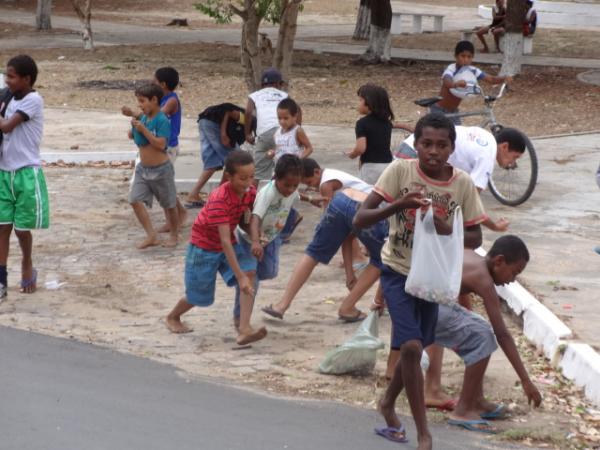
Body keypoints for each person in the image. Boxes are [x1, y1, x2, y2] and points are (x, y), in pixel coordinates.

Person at [353, 113, 487, 449]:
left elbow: (475, 235)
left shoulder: (462, 184)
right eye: (426, 143)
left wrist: (445, 228)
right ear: (417, 145)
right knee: (412, 347)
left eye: (442, 145)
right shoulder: (401, 171)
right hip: (398, 271)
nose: (433, 151)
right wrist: (398, 205)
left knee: (415, 350)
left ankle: (386, 403)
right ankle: (424, 433)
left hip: (434, 278)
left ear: (452, 148)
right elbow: (360, 218)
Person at [382, 235, 542, 433]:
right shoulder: (484, 279)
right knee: (483, 336)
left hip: (418, 300)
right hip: (429, 305)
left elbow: (455, 287)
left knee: (415, 352)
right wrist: (526, 380)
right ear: (499, 261)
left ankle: (475, 400)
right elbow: (502, 334)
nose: (512, 280)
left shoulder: (470, 255)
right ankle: (464, 410)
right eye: (514, 272)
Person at [165, 150, 267, 346]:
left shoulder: (249, 193)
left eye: (251, 177)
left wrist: (257, 237)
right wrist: (239, 276)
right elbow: (224, 241)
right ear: (229, 176)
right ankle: (173, 316)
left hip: (228, 241)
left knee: (250, 272)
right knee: (198, 294)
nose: (248, 183)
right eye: (243, 178)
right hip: (204, 248)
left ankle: (244, 327)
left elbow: (245, 220)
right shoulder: (219, 199)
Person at [261, 184, 388, 323]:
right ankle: (347, 307)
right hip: (369, 211)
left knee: (313, 251)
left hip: (341, 200)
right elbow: (390, 266)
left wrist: (349, 273)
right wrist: (378, 301)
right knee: (380, 261)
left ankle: (281, 305)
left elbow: (348, 236)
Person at [396, 125, 527, 232]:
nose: (512, 163)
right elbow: (471, 203)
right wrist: (494, 226)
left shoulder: (485, 137)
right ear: (504, 146)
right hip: (417, 155)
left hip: (409, 148)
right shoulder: (487, 156)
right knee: (408, 216)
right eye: (514, 157)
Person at [232, 154, 302, 328]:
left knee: (270, 271)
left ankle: (244, 279)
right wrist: (255, 242)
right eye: (286, 185)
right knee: (251, 278)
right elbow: (255, 218)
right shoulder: (268, 193)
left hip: (271, 238)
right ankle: (240, 314)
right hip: (250, 239)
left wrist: (312, 200)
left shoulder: (292, 190)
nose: (290, 189)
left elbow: (297, 196)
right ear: (275, 178)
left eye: (295, 185)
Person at [0, 55, 49, 298]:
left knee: (21, 230)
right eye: (6, 76)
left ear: (26, 79)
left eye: (11, 76)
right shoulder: (7, 96)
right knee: (2, 227)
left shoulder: (33, 100)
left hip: (26, 172)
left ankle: (27, 263)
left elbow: (7, 126)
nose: (7, 80)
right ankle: (1, 278)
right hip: (4, 171)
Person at [122, 67, 186, 231]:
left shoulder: (170, 101)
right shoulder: (161, 101)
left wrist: (135, 114)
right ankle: (179, 215)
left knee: (163, 185)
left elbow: (156, 117)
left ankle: (174, 222)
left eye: (154, 81)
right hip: (156, 147)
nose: (152, 83)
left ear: (163, 84)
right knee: (164, 185)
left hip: (167, 147)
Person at [127, 83, 179, 249]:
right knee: (134, 199)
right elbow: (131, 136)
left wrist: (144, 130)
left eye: (142, 101)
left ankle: (174, 235)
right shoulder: (142, 118)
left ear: (154, 100)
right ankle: (151, 235)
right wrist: (133, 126)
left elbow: (161, 144)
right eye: (138, 101)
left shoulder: (162, 120)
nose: (139, 105)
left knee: (169, 204)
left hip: (161, 169)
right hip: (143, 168)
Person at [185, 102, 250, 208]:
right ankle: (219, 196)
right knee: (235, 160)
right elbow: (228, 111)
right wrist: (223, 133)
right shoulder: (249, 118)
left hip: (204, 121)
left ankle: (193, 195)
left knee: (213, 162)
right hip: (212, 122)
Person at [434, 40, 512, 125]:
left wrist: (504, 78)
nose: (465, 60)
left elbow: (491, 79)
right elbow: (446, 81)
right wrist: (455, 84)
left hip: (454, 111)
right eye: (462, 56)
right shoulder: (451, 69)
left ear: (472, 58)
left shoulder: (473, 70)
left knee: (458, 134)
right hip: (439, 110)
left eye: (469, 57)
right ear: (456, 56)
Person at [245, 68, 289, 185]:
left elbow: (248, 112)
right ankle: (283, 200)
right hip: (282, 132)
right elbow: (296, 111)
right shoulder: (284, 95)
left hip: (264, 133)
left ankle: (250, 201)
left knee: (258, 172)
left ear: (262, 84)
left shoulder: (254, 95)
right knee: (283, 169)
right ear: (277, 84)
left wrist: (247, 134)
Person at [346, 84, 393, 185]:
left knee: (367, 195)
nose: (358, 104)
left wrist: (352, 154)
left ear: (369, 102)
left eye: (360, 100)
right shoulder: (387, 122)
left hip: (371, 167)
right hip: (388, 165)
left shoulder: (362, 123)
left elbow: (361, 148)